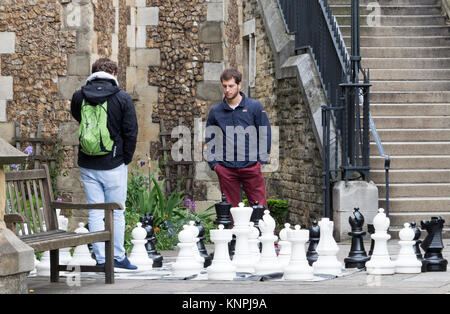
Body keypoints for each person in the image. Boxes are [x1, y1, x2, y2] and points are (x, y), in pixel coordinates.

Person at [71, 58, 138, 270]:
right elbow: (131, 131)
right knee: (116, 211)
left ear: (93, 73)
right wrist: (125, 158)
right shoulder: (122, 98)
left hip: (87, 163)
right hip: (114, 163)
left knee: (96, 212)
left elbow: (78, 117)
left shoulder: (79, 96)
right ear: (114, 74)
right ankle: (117, 256)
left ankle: (101, 259)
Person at [205, 68, 271, 208]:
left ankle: (261, 230)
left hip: (251, 167)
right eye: (224, 86)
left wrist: (260, 161)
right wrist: (215, 165)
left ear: (239, 85)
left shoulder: (255, 107)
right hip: (226, 169)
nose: (227, 90)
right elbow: (210, 139)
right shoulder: (215, 111)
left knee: (260, 210)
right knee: (231, 212)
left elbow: (265, 134)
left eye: (231, 86)